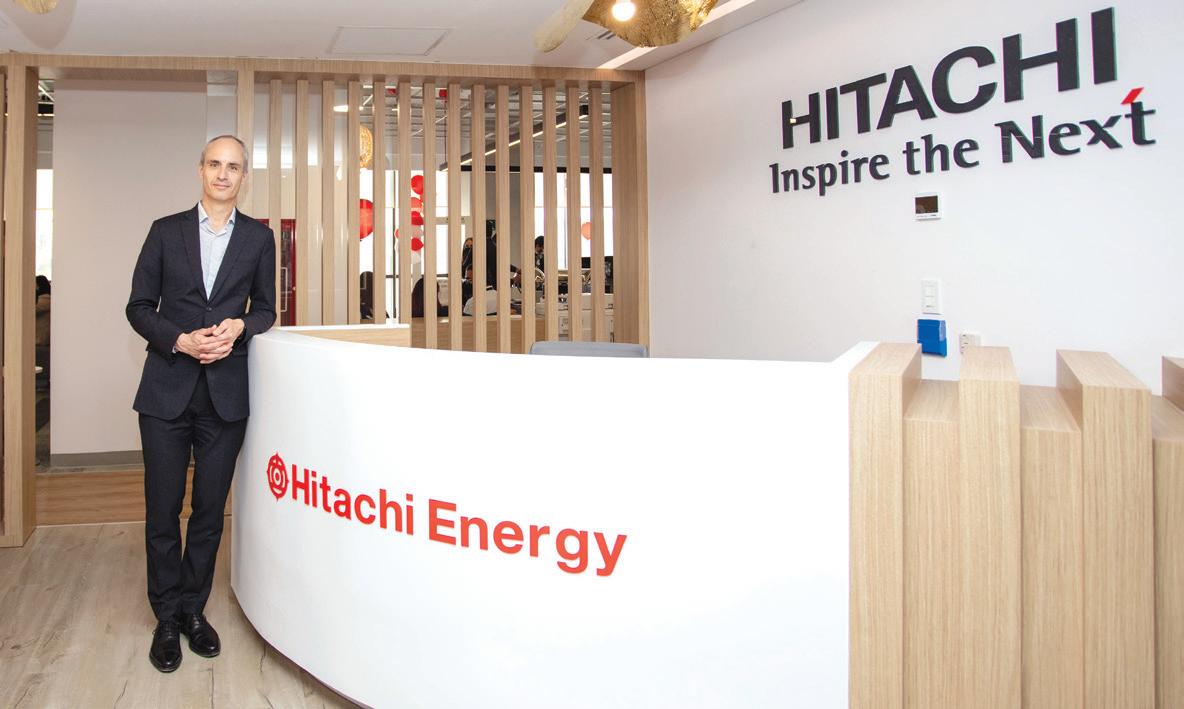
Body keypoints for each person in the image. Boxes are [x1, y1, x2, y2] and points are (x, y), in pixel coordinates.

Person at [126, 135, 276, 674]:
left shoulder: (259, 238)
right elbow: (138, 307)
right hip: (166, 390)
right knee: (163, 510)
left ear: (243, 177)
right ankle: (165, 617)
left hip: (225, 396)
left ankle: (193, 611)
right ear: (200, 170)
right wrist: (180, 340)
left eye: (233, 166)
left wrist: (240, 326)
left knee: (210, 512)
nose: (223, 173)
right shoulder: (164, 231)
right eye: (215, 164)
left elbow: (267, 310)